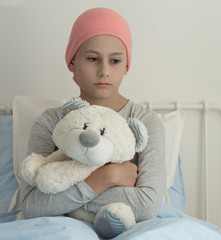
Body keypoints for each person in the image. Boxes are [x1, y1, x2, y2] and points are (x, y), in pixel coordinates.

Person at [19, 7, 166, 238]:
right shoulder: (50, 122)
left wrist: (63, 200)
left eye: (115, 60)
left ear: (127, 66)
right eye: (92, 59)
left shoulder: (146, 122)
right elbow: (31, 206)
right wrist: (105, 178)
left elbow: (147, 205)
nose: (104, 71)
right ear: (72, 62)